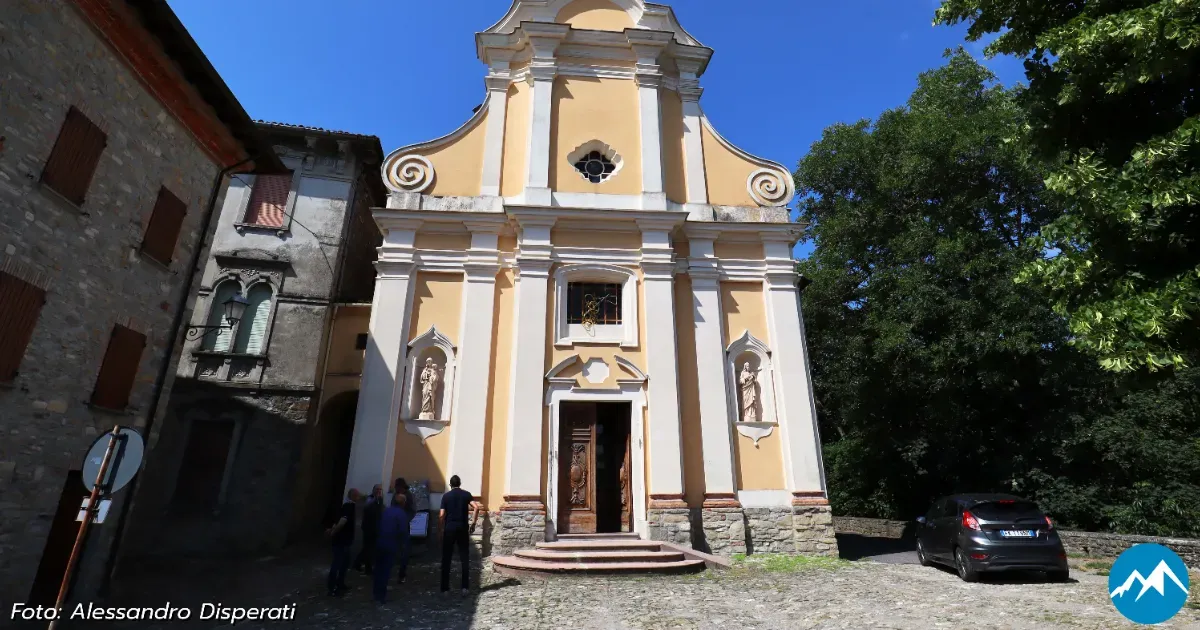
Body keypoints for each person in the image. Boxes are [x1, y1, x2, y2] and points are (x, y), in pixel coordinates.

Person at [439, 475, 481, 595]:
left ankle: (445, 588)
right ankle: (464, 588)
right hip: (462, 528)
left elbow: (441, 515)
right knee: (464, 558)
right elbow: (476, 507)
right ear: (460, 483)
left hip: (449, 528)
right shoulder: (466, 494)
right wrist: (473, 522)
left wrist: (440, 530)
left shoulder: (446, 496)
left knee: (446, 558)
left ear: (450, 484)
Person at [372, 493, 409, 605]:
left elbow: (378, 525)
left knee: (378, 569)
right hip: (391, 543)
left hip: (380, 542)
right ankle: (381, 596)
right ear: (403, 503)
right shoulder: (402, 514)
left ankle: (376, 593)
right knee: (385, 570)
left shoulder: (386, 511)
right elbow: (403, 531)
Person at [326, 488, 359, 596]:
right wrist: (333, 532)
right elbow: (342, 522)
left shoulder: (349, 506)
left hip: (345, 540)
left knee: (344, 563)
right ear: (353, 496)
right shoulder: (348, 507)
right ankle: (333, 587)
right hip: (341, 541)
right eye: (356, 495)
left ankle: (339, 583)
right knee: (338, 564)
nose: (358, 497)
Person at [354, 484, 383, 573]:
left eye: (380, 489)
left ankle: (358, 563)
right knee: (368, 548)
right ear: (373, 490)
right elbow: (367, 507)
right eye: (377, 489)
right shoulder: (370, 498)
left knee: (370, 548)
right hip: (368, 527)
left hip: (376, 527)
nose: (379, 491)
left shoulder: (380, 499)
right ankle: (367, 568)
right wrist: (375, 499)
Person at [392, 477, 415, 583]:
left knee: (405, 550)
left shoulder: (409, 495)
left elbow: (412, 510)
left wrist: (405, 519)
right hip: (394, 526)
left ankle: (402, 573)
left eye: (399, 487)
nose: (398, 489)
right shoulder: (395, 495)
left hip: (404, 525)